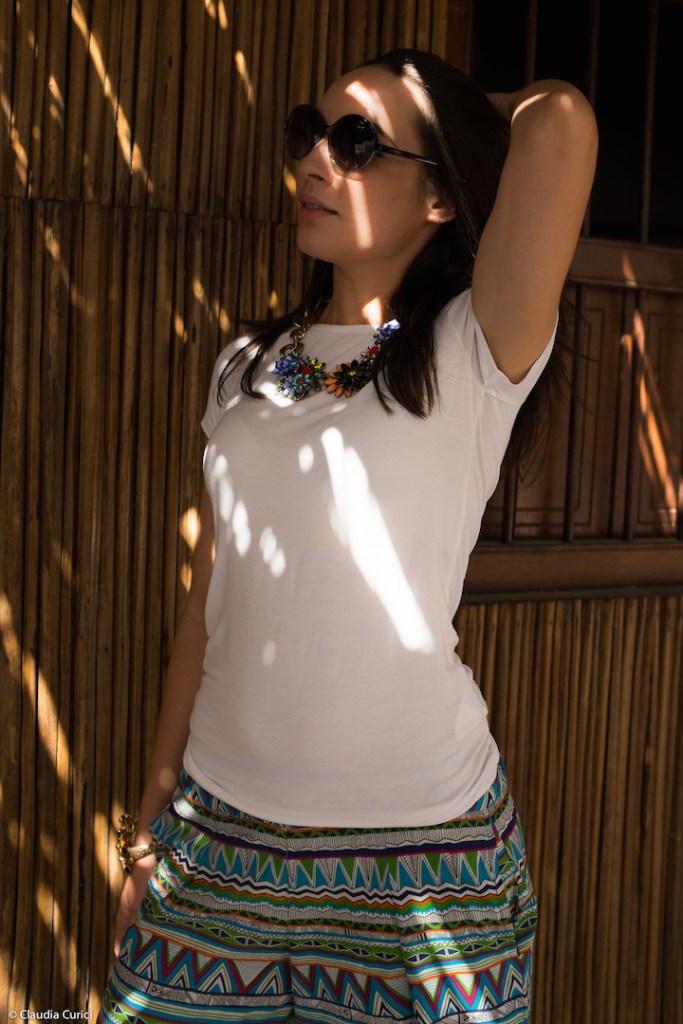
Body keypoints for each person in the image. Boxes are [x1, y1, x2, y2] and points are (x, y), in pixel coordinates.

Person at [99, 48, 597, 1024]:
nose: (315, 163)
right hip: (217, 839)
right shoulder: (248, 365)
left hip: (423, 856)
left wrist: (454, 112)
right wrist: (151, 826)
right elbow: (208, 607)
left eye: (358, 142)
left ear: (441, 196)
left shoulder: (471, 347)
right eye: (310, 135)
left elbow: (561, 121)